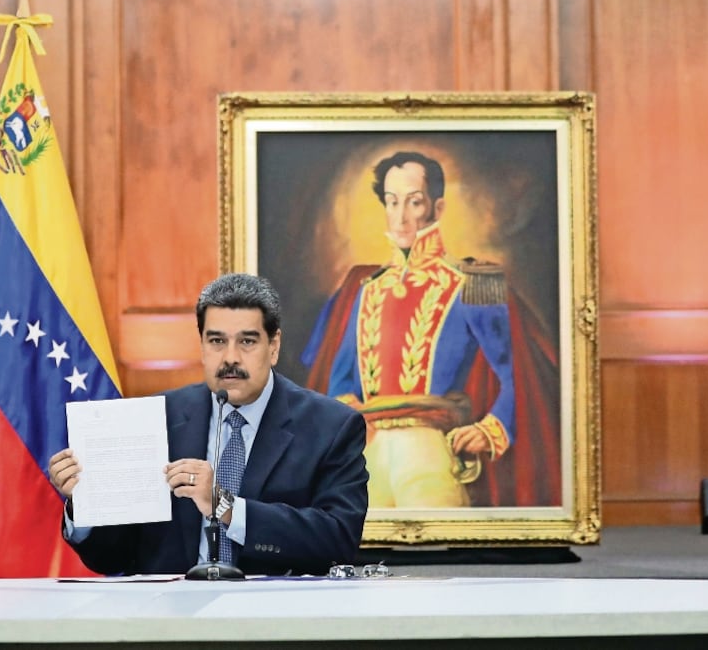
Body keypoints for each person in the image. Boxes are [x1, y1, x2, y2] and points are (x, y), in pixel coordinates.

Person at [48, 273, 369, 576]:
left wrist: (224, 505)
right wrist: (86, 502)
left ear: (273, 347)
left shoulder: (331, 426)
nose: (230, 357)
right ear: (201, 345)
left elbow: (337, 540)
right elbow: (112, 556)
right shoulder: (155, 418)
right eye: (217, 341)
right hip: (169, 620)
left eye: (247, 342)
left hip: (273, 617)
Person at [302, 150, 527, 508]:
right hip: (369, 451)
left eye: (414, 202)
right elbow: (341, 384)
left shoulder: (470, 284)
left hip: (429, 446)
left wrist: (490, 429)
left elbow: (517, 375)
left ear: (436, 209)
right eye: (392, 203)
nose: (401, 217)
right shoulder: (366, 289)